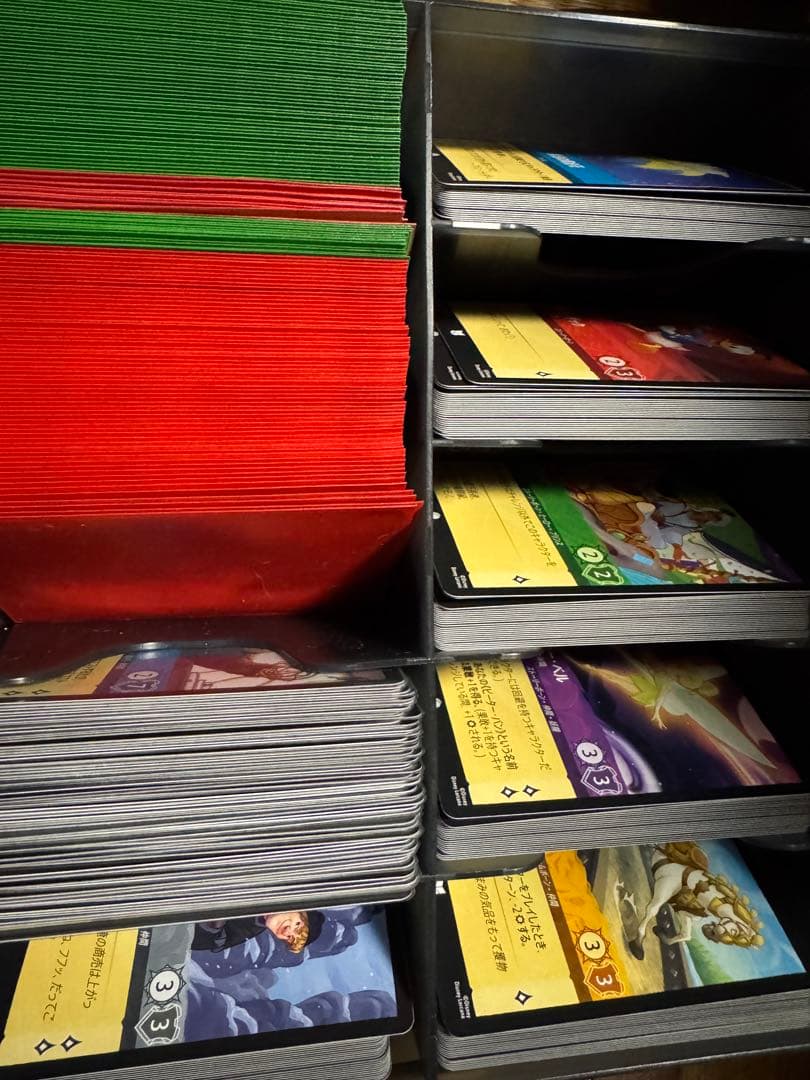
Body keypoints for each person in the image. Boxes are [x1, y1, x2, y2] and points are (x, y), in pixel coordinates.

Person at [623, 841, 764, 960]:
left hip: (687, 890)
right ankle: (639, 936)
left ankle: (667, 939)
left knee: (687, 935)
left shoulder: (727, 913)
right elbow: (731, 916)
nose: (729, 931)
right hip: (677, 875)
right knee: (655, 906)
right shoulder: (726, 910)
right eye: (733, 931)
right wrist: (748, 929)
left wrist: (746, 933)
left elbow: (732, 924)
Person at [191, 909, 325, 954]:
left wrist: (214, 924)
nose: (287, 931)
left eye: (290, 938)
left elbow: (200, 942)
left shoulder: (249, 929)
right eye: (297, 925)